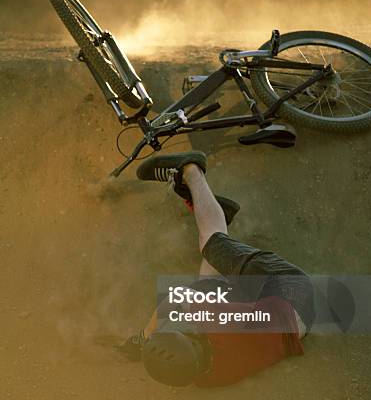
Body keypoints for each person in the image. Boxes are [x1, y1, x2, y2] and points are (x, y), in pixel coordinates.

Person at [117, 151, 315, 387]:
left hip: (295, 325)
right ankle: (191, 169)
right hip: (289, 289)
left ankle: (216, 212)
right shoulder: (216, 321)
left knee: (206, 285)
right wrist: (143, 340)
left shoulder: (207, 378)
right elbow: (178, 298)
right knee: (212, 243)